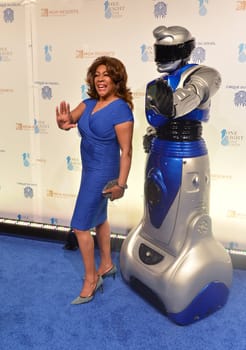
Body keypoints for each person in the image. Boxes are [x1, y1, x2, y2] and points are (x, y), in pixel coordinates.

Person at [56, 56, 134, 304]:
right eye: (97, 74)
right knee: (99, 218)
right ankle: (108, 264)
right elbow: (70, 121)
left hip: (104, 172)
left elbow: (127, 151)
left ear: (116, 79)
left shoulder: (121, 109)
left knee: (80, 226)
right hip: (89, 169)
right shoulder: (88, 104)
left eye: (106, 74)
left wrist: (120, 184)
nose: (101, 79)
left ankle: (91, 279)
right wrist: (63, 123)